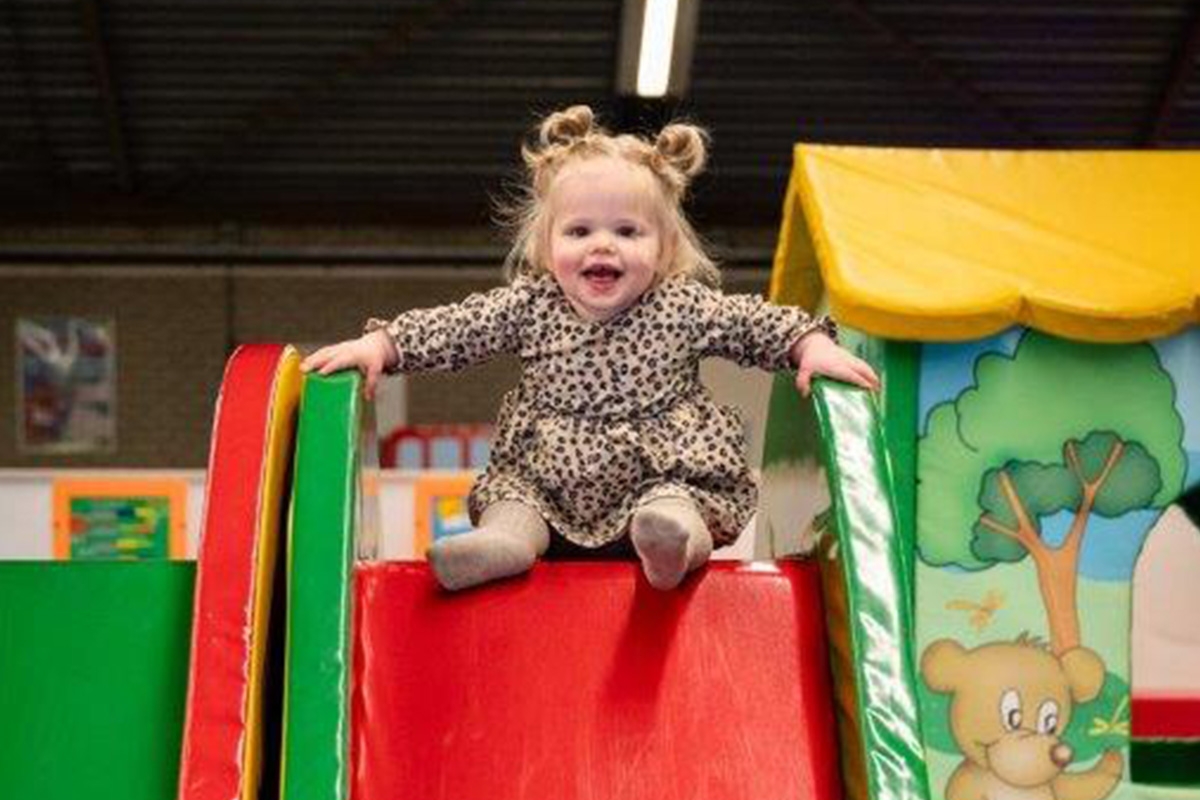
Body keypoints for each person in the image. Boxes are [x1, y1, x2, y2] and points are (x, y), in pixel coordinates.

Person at [301, 105, 879, 592]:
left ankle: (674, 546)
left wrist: (808, 346)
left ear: (664, 247)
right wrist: (382, 345)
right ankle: (505, 545)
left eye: (628, 232)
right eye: (579, 231)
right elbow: (458, 328)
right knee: (514, 501)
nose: (603, 245)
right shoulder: (530, 305)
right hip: (546, 482)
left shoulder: (683, 305)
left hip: (654, 477)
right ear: (546, 244)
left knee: (677, 503)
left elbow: (753, 323)